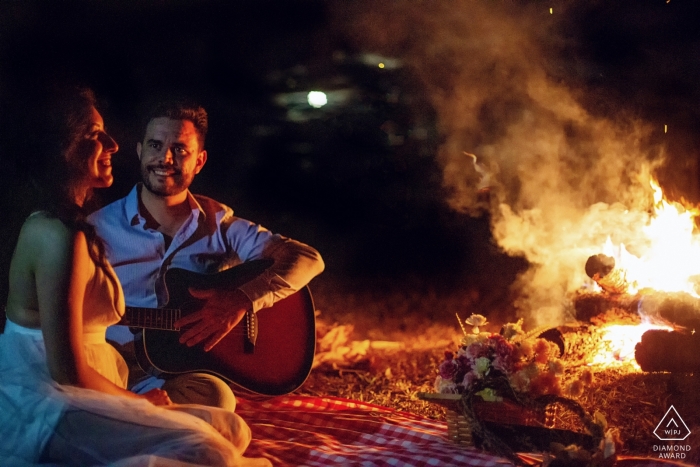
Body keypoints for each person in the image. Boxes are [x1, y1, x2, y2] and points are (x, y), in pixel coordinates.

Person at [0, 87, 270, 466]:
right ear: (62, 148)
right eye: (95, 136)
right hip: (46, 398)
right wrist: (140, 403)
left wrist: (241, 298)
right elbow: (67, 371)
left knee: (231, 428)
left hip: (92, 384)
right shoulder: (57, 234)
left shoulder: (76, 229)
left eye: (180, 150)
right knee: (210, 451)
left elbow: (296, 255)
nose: (113, 145)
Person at [89, 99, 324, 408]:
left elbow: (308, 258)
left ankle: (140, 416)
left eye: (180, 150)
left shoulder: (217, 224)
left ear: (199, 161)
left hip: (179, 374)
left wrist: (242, 299)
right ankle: (138, 414)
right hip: (110, 365)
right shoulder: (96, 228)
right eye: (155, 145)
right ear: (139, 151)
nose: (165, 158)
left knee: (218, 399)